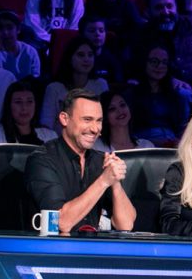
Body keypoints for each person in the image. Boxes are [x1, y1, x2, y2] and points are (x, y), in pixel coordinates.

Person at [25, 88, 136, 234]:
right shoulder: (42, 160)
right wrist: (103, 181)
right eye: (87, 120)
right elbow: (61, 223)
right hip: (51, 246)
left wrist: (115, 182)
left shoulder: (101, 161)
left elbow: (126, 225)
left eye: (99, 121)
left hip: (91, 245)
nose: (95, 129)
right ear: (64, 119)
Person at [126, 41, 190, 146]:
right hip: (143, 145)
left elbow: (181, 127)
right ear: (144, 62)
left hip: (170, 143)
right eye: (154, 61)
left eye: (164, 62)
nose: (160, 66)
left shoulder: (176, 94)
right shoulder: (132, 93)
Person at [40, 36, 109, 130]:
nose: (86, 59)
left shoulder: (101, 85)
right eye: (81, 55)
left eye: (90, 55)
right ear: (69, 58)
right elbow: (46, 125)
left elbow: (106, 122)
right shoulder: (54, 88)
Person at [0, 81, 57, 145]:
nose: (24, 107)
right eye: (18, 102)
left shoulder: (50, 136)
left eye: (29, 101)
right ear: (9, 105)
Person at [0, 9, 41, 80]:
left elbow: (35, 79)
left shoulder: (30, 52)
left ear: (18, 29)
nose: (5, 32)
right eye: (1, 28)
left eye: (9, 28)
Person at [79, 15, 123, 84]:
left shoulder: (112, 59)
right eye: (92, 31)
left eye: (101, 31)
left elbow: (118, 83)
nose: (97, 34)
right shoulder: (76, 58)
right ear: (82, 34)